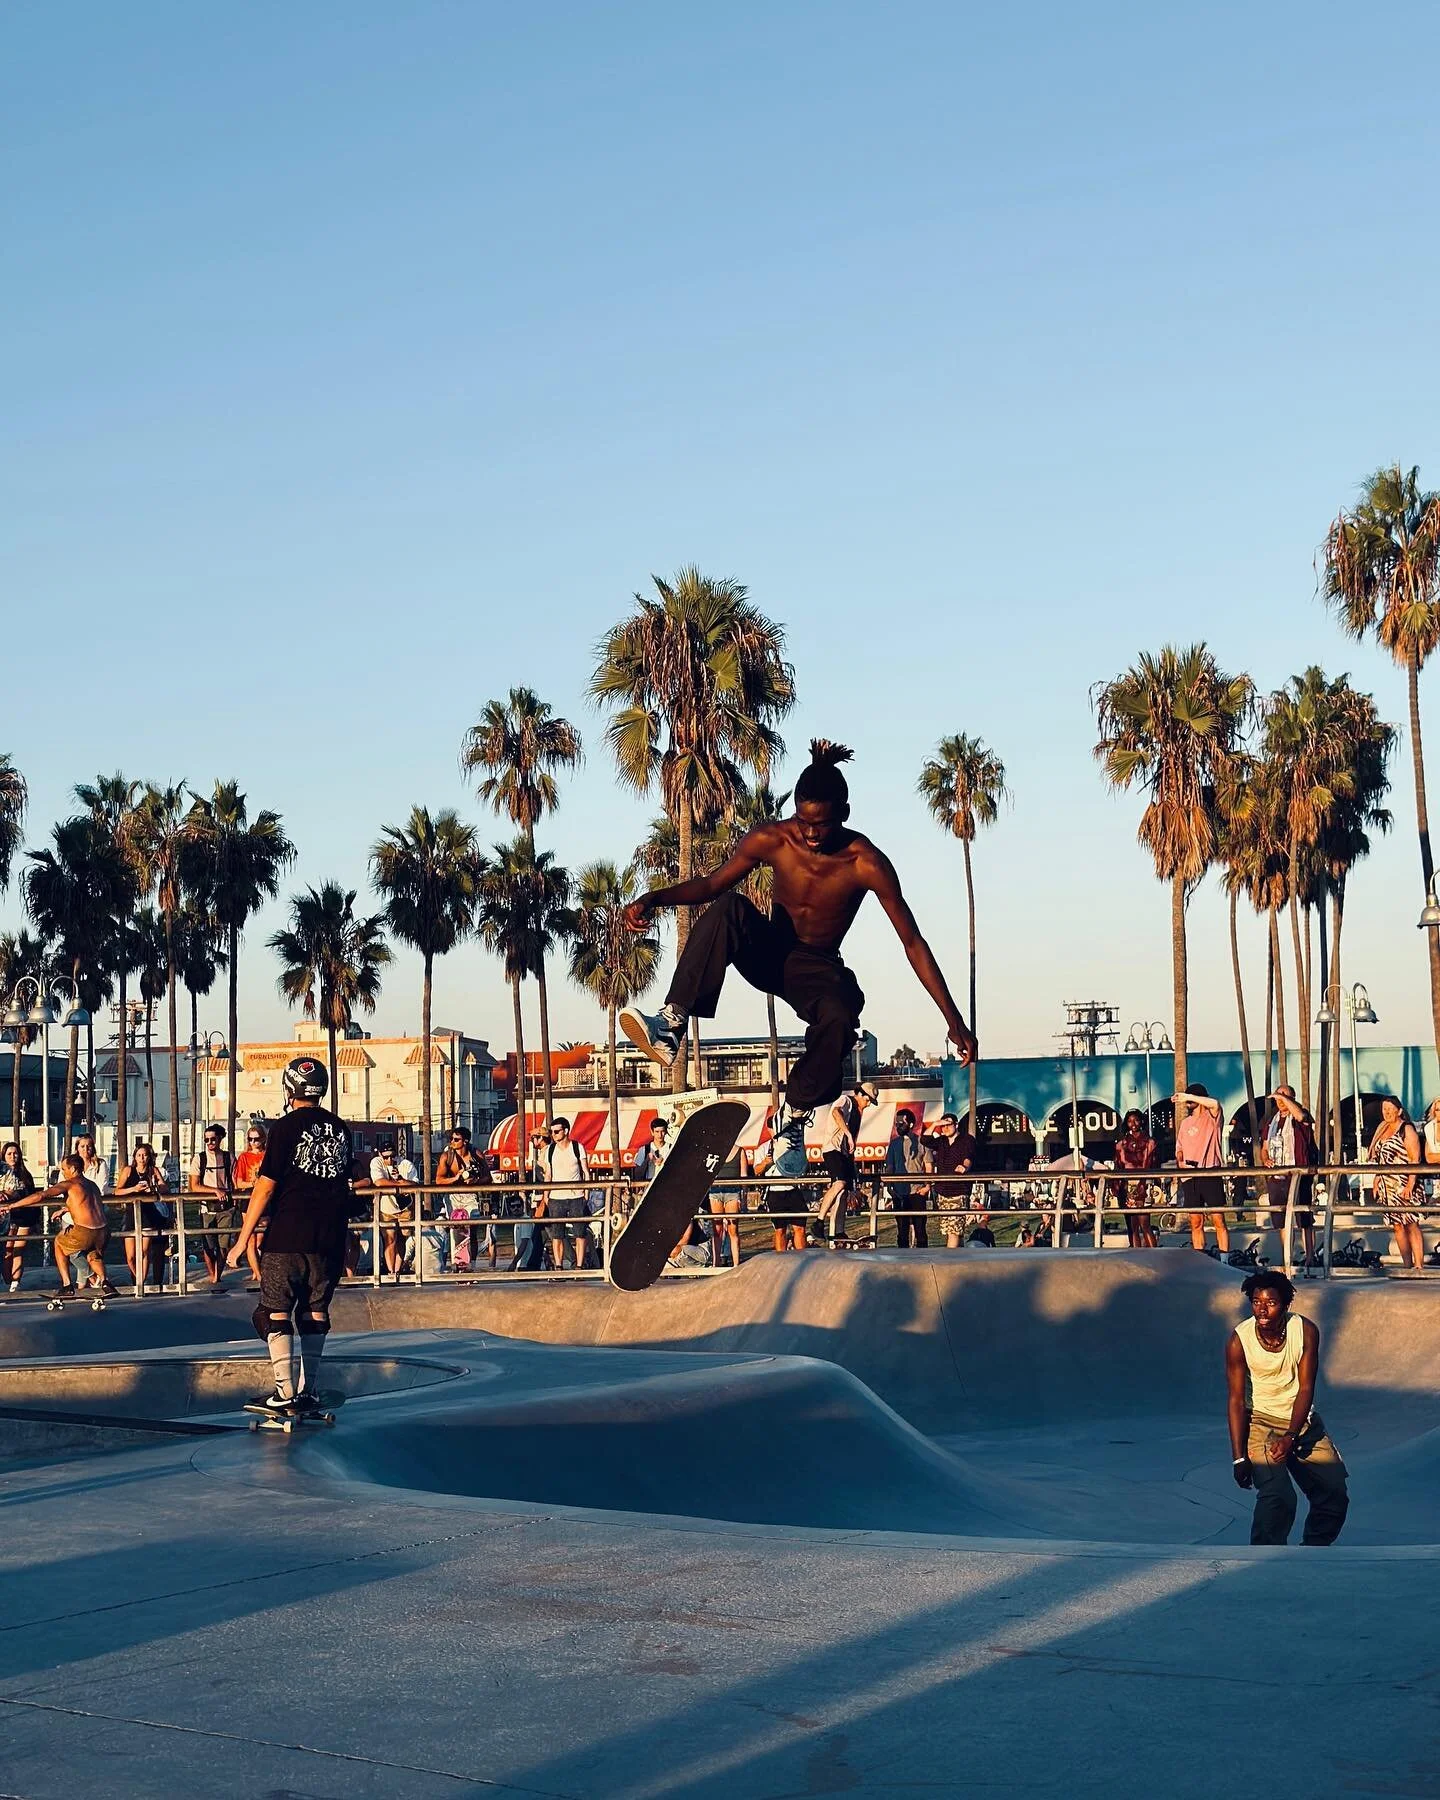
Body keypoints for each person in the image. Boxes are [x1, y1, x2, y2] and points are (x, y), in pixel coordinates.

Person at [619, 740, 976, 1155]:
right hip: (770, 950)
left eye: (820, 825)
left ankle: (794, 1116)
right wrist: (654, 897)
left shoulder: (867, 863)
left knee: (842, 1016)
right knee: (730, 905)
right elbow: (712, 884)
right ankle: (671, 1023)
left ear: (843, 813)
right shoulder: (773, 838)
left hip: (818, 968)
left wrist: (953, 1019)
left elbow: (912, 942)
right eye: (803, 821)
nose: (809, 834)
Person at [225, 1055, 355, 1415]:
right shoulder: (341, 1128)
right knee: (315, 1311)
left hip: (288, 1235)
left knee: (273, 1313)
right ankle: (309, 1390)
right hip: (329, 1238)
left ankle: (284, 1393)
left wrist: (241, 1240)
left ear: (289, 1088)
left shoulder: (283, 1129)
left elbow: (265, 1188)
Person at [1226, 1268, 1348, 1545]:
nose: (1262, 1310)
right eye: (1256, 1302)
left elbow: (1306, 1387)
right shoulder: (1239, 1340)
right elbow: (1235, 1400)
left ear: (1286, 1305)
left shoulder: (1304, 1331)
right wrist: (1238, 1457)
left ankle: (1312, 1552)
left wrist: (1291, 1435)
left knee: (1334, 1493)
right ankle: (1265, 1559)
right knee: (1278, 1497)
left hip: (1301, 1421)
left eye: (1271, 1303)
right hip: (1260, 1423)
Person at [4, 1154, 115, 1297]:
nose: (62, 1173)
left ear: (73, 1169)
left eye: (64, 1169)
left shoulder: (69, 1184)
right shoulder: (92, 1185)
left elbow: (40, 1196)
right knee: (93, 1254)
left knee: (58, 1242)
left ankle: (67, 1285)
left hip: (85, 1231)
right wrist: (65, 1209)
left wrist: (13, 1205)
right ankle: (106, 1283)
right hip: (104, 1231)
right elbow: (89, 1204)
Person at [1262, 1087, 1319, 1274]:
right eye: (1278, 1097)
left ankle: (1310, 1255)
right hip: (1277, 1176)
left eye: (1284, 1096)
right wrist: (1266, 1159)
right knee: (1281, 1218)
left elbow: (1301, 1116)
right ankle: (1288, 1255)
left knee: (1304, 1217)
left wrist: (1285, 1099)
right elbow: (1264, 1147)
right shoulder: (1272, 1122)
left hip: (1298, 1173)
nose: (1280, 1100)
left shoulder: (1299, 1116)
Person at [815, 1080, 877, 1247]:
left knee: (844, 1193)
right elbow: (836, 1113)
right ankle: (818, 1222)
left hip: (845, 1154)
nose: (868, 1104)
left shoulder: (858, 1112)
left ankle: (839, 1230)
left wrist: (852, 1160)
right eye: (868, 1099)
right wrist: (848, 1135)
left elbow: (853, 1140)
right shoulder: (846, 1100)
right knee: (839, 1183)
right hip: (832, 1149)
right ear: (860, 1094)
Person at [1173, 1084, 1230, 1257]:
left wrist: (1189, 1096)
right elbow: (1179, 1147)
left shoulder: (1212, 1117)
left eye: (1192, 1098)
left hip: (1210, 1173)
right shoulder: (1185, 1124)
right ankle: (1201, 1258)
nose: (1188, 1101)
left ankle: (1225, 1259)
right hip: (1190, 1177)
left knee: (1218, 1218)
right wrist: (1181, 1157)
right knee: (1195, 1220)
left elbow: (1215, 1103)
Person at [1369, 1096, 1424, 1272]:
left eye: (1391, 1109)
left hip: (1404, 1183)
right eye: (1384, 1109)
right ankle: (1406, 1264)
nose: (1387, 1112)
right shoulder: (1382, 1129)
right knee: (1397, 1226)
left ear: (1399, 1111)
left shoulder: (1406, 1129)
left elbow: (1415, 1158)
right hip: (1388, 1186)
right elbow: (1379, 1159)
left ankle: (1418, 1265)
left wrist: (1410, 1183)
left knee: (1411, 1223)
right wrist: (1377, 1179)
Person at [744, 1116, 810, 1254]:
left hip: (792, 1188)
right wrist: (766, 1162)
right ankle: (781, 1259)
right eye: (774, 1128)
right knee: (780, 1229)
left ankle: (802, 1257)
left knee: (800, 1228)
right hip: (775, 1191)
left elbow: (802, 1164)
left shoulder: (791, 1145)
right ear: (769, 1129)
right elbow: (756, 1170)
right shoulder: (763, 1148)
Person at [436, 1126, 496, 1272]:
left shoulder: (475, 1154)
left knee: (472, 1229)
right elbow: (438, 1180)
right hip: (453, 1195)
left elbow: (488, 1177)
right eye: (451, 1139)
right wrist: (455, 1178)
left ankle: (472, 1264)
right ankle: (457, 1263)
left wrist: (476, 1181)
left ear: (465, 1141)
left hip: (470, 1196)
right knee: (455, 1230)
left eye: (456, 1139)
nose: (452, 1142)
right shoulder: (447, 1156)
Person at [114, 1141, 171, 1288]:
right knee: (131, 1256)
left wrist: (153, 1187)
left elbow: (165, 1187)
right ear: (135, 1157)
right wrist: (134, 1189)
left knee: (144, 1252)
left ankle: (141, 1283)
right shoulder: (128, 1171)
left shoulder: (153, 1171)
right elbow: (117, 1191)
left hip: (148, 1215)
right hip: (131, 1215)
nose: (142, 1158)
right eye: (139, 1155)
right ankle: (137, 1277)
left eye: (145, 1155)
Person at [188, 1124, 236, 1293]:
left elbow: (234, 1180)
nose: (209, 1143)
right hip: (206, 1208)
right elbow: (193, 1186)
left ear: (220, 1139)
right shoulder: (199, 1159)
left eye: (213, 1139)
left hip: (226, 1208)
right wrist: (214, 1191)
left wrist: (235, 1199)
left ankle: (217, 1277)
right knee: (208, 1245)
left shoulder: (229, 1158)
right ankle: (213, 1275)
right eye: (206, 1139)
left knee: (223, 1245)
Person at [540, 1117, 592, 1270]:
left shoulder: (577, 1147)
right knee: (557, 1234)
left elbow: (585, 1171)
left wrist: (586, 1192)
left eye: (557, 1131)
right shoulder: (550, 1150)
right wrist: (546, 1194)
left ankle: (579, 1266)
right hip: (556, 1197)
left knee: (579, 1233)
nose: (554, 1135)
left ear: (566, 1131)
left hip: (576, 1196)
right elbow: (548, 1174)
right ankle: (558, 1265)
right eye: (552, 1132)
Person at [368, 1140, 419, 1281]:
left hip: (405, 1207)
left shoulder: (405, 1164)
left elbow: (415, 1183)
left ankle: (398, 1270)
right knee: (390, 1239)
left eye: (392, 1156)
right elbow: (379, 1182)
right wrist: (400, 1184)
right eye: (386, 1157)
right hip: (385, 1207)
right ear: (380, 1155)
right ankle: (391, 1272)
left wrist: (402, 1180)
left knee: (403, 1238)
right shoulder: (376, 1163)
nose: (389, 1160)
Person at [924, 1112, 976, 1249]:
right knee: (951, 1230)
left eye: (948, 1125)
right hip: (942, 1190)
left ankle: (948, 1261)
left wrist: (964, 1167)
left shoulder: (967, 1139)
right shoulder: (941, 1141)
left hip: (958, 1190)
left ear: (956, 1125)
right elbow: (924, 1140)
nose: (945, 1128)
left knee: (954, 1230)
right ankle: (959, 1259)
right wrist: (935, 1124)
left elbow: (968, 1157)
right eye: (943, 1126)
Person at [884, 1108, 934, 1249]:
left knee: (920, 1230)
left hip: (918, 1191)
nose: (898, 1126)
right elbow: (890, 1167)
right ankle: (902, 1259)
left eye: (901, 1123)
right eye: (896, 1124)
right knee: (901, 1230)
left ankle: (923, 1258)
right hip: (899, 1192)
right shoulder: (894, 1144)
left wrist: (927, 1187)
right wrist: (890, 1187)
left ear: (911, 1124)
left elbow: (928, 1166)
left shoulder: (921, 1142)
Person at [1114, 1110, 1159, 1249]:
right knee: (1131, 1227)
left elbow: (1152, 1164)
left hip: (1143, 1185)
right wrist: (1116, 1187)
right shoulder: (1121, 1144)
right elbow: (1118, 1166)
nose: (1133, 1124)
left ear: (1141, 1121)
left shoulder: (1150, 1142)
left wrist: (1144, 1183)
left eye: (1136, 1120)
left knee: (1145, 1225)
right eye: (1129, 1121)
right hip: (1126, 1186)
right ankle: (1136, 1257)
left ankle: (1154, 1256)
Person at [0, 1142, 39, 1291]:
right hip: (6, 1217)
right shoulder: (2, 1173)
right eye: (9, 1153)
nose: (12, 1156)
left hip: (24, 1217)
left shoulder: (25, 1175)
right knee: (7, 1251)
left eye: (15, 1153)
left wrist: (36, 1220)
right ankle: (7, 1280)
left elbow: (32, 1195)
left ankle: (15, 1284)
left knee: (18, 1250)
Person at [233, 1124, 269, 1283]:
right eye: (250, 1139)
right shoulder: (243, 1157)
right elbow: (239, 1183)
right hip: (248, 1199)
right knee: (251, 1239)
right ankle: (258, 1274)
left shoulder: (268, 1155)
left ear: (263, 1139)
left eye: (257, 1139)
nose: (254, 1142)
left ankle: (259, 1270)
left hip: (267, 1200)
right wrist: (254, 1184)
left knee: (261, 1237)